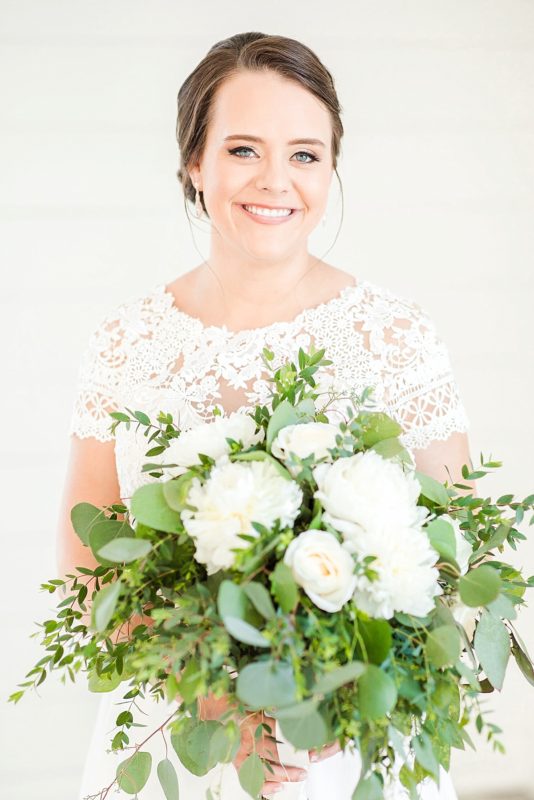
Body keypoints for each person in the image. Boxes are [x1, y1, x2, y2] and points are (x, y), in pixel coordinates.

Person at [59, 31, 474, 800]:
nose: (276, 180)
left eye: (305, 154)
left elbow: (454, 568)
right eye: (243, 149)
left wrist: (324, 697)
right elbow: (88, 566)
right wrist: (209, 695)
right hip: (177, 737)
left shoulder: (394, 337)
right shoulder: (126, 343)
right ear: (195, 161)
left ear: (331, 168)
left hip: (340, 747)